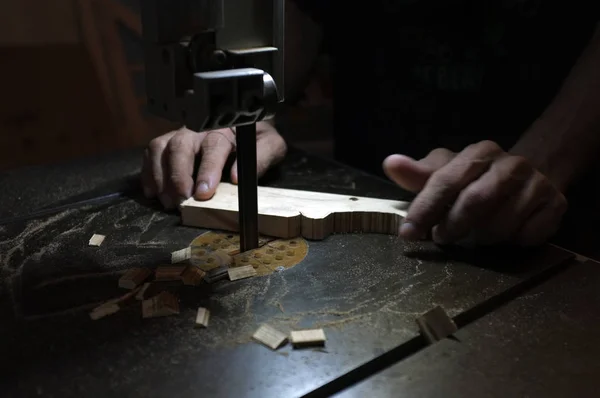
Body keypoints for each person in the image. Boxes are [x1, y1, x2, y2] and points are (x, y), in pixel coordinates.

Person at [141, 1, 600, 247]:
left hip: (560, 216)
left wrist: (542, 162)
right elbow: (276, 62)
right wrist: (235, 113)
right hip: (362, 171)